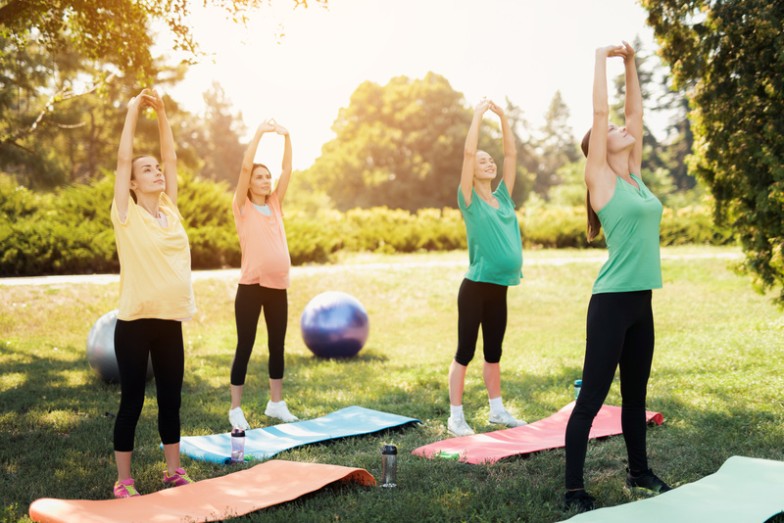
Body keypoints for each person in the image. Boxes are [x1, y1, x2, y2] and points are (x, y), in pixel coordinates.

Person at [563, 42, 671, 512]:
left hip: (641, 301)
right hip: (610, 302)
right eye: (609, 131)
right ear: (599, 150)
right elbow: (601, 110)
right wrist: (600, 58)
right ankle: (573, 489)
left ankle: (639, 472)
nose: (620, 129)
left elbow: (634, 112)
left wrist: (630, 62)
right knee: (591, 399)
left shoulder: (635, 177)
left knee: (636, 395)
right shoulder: (602, 180)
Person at [111, 88, 196, 498]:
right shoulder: (125, 213)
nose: (157, 172)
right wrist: (133, 111)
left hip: (169, 320)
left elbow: (172, 157)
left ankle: (173, 472)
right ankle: (123, 481)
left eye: (157, 168)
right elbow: (122, 158)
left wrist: (162, 114)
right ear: (132, 182)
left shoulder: (170, 210)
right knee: (132, 401)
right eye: (147, 170)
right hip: (134, 322)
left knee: (170, 400)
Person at [447, 99, 527, 437]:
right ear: (473, 170)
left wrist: (504, 118)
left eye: (490, 159)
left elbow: (511, 155)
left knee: (493, 352)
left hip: (500, 288)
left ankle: (497, 411)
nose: (489, 162)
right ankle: (455, 417)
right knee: (465, 352)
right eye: (483, 160)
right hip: (476, 288)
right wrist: (478, 116)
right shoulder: (469, 199)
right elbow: (468, 154)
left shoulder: (504, 197)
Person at [227, 119, 298, 430]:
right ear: (249, 183)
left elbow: (288, 169)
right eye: (260, 177)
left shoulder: (275, 204)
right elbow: (245, 166)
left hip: (277, 286)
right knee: (245, 344)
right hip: (251, 286)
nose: (266, 180)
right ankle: (235, 408)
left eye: (267, 176)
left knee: (277, 344)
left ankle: (276, 403)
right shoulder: (242, 206)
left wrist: (287, 137)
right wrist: (259, 133)